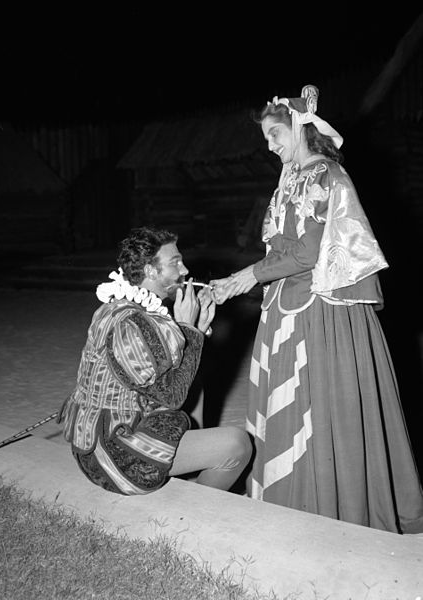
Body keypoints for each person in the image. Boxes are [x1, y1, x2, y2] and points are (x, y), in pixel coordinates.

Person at [210, 85, 423, 533]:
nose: (270, 145)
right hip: (284, 307)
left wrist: (248, 276)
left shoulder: (328, 175)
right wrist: (239, 279)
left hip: (320, 313)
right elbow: (280, 248)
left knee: (323, 409)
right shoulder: (290, 179)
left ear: (298, 127)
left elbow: (308, 253)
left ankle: (326, 510)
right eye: (266, 138)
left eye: (274, 134)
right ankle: (290, 504)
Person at [58, 226, 252, 496]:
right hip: (113, 458)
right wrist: (189, 330)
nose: (184, 270)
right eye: (175, 262)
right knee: (237, 444)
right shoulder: (131, 323)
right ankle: (197, 510)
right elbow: (172, 396)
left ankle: (186, 471)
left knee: (197, 384)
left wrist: (197, 330)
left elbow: (173, 374)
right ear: (151, 271)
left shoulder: (123, 307)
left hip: (104, 438)